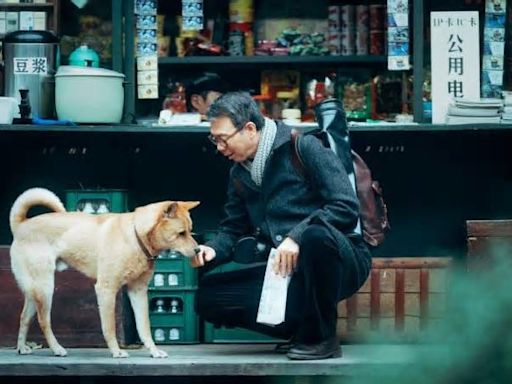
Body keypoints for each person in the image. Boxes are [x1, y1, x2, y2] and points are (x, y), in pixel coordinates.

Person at [192, 91, 371, 360]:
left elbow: (345, 206)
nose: (219, 147)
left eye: (222, 139)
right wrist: (213, 250)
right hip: (285, 269)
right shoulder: (240, 172)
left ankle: (322, 339)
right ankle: (303, 327)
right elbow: (232, 228)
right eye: (213, 139)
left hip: (339, 258)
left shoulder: (303, 147)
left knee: (314, 236)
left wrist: (296, 237)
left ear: (250, 129)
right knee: (209, 297)